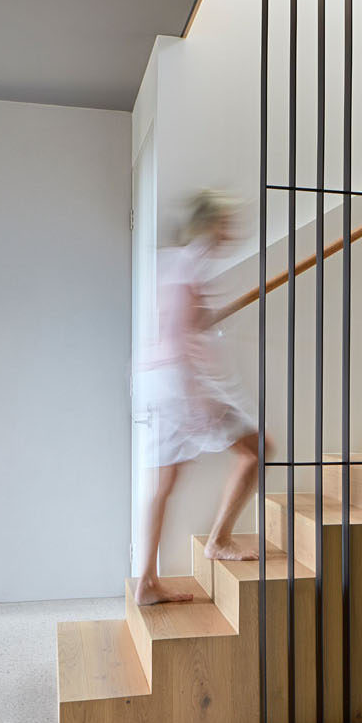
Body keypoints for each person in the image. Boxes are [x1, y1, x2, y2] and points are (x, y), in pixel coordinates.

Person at [135, 191, 271, 606]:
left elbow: (180, 326)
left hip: (156, 381)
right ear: (209, 225)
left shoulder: (178, 264)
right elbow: (178, 336)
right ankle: (219, 540)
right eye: (226, 222)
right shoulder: (190, 265)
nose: (232, 229)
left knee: (164, 485)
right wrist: (200, 402)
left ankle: (146, 582)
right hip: (177, 387)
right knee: (257, 449)